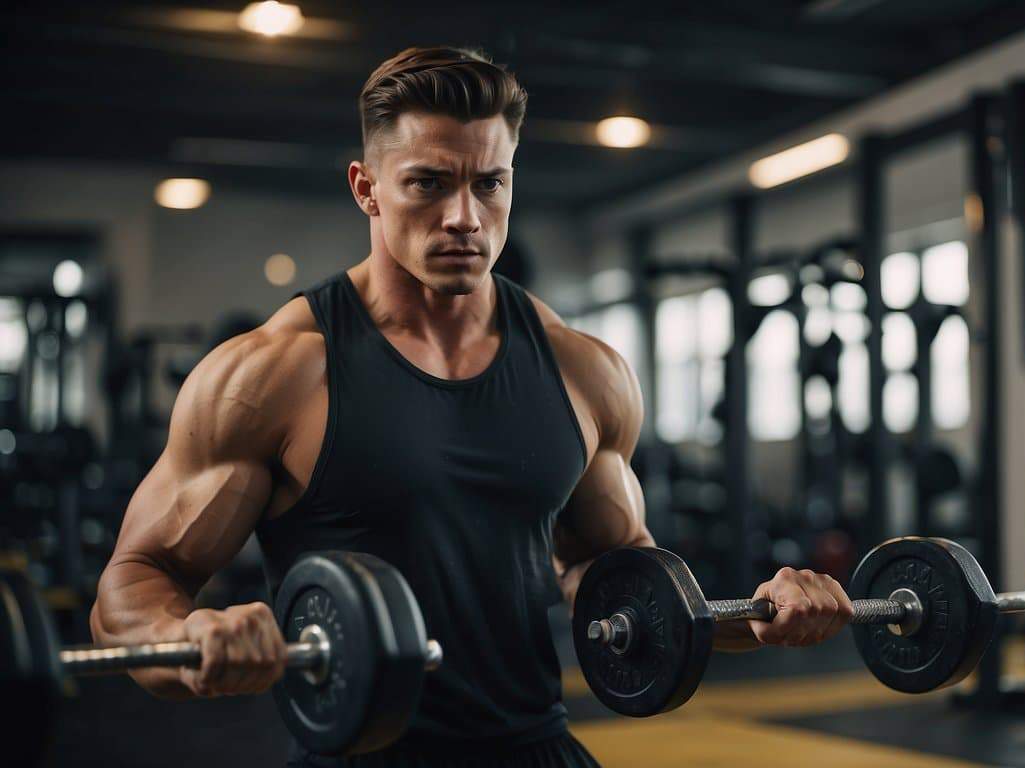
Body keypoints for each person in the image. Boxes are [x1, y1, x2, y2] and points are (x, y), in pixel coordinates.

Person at [91, 46, 855, 767]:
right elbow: (136, 581)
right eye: (428, 183)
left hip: (539, 748)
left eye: (490, 183)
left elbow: (615, 578)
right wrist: (194, 634)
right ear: (366, 188)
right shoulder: (275, 374)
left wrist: (757, 616)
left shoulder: (583, 371)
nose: (465, 216)